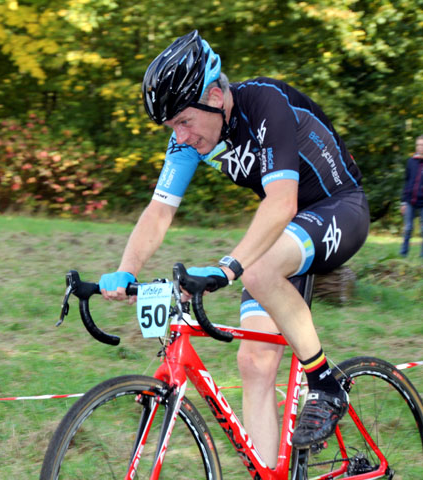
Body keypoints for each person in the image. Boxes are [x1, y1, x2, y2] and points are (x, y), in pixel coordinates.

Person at [98, 31, 370, 466]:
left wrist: (227, 268)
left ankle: (325, 384)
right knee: (255, 364)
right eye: (172, 127)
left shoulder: (265, 103)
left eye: (184, 122)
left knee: (258, 271)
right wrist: (126, 269)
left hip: (339, 207)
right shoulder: (190, 138)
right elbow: (159, 211)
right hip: (285, 226)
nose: (180, 136)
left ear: (215, 94)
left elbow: (282, 201)